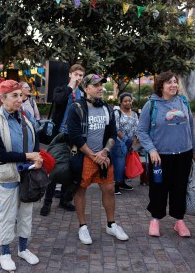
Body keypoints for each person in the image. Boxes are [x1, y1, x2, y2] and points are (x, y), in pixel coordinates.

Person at [0, 80, 42, 271]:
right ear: (2, 98)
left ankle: (23, 249)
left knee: (26, 213)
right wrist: (28, 156)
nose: (20, 99)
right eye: (14, 95)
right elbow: (1, 155)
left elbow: (35, 138)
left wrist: (37, 158)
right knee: (7, 215)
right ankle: (5, 253)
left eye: (20, 95)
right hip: (7, 174)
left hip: (27, 173)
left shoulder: (24, 115)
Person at [67, 73, 129, 245]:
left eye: (101, 84)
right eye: (96, 85)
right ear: (86, 89)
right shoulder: (76, 108)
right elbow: (74, 136)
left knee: (109, 189)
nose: (100, 88)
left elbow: (112, 134)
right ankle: (82, 226)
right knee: (80, 190)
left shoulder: (107, 108)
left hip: (103, 157)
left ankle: (111, 224)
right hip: (84, 157)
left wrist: (105, 152)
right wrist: (92, 155)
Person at [137, 71, 195, 238]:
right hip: (160, 157)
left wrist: (194, 149)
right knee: (159, 189)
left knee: (180, 188)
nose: (174, 85)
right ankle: (155, 219)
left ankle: (179, 221)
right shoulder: (152, 104)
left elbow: (190, 126)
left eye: (175, 82)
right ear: (160, 85)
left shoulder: (183, 101)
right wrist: (151, 149)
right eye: (169, 82)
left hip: (183, 154)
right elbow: (142, 131)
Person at [39, 64, 84, 216]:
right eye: (76, 74)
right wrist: (71, 86)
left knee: (71, 167)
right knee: (54, 166)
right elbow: (58, 100)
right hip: (59, 135)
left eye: (81, 75)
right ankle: (47, 202)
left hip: (75, 136)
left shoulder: (83, 93)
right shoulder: (61, 89)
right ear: (70, 75)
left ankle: (65, 200)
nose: (79, 78)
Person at [110, 92, 139, 194]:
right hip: (119, 143)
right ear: (121, 102)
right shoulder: (117, 113)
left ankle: (121, 182)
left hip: (130, 143)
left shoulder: (135, 114)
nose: (128, 103)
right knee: (119, 164)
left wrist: (133, 143)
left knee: (125, 164)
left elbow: (137, 130)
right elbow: (117, 129)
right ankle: (115, 185)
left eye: (129, 100)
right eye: (125, 101)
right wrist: (126, 140)